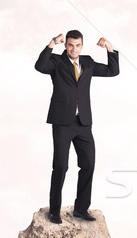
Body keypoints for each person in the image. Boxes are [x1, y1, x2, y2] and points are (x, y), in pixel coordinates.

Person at [35, 30, 119, 224]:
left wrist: (109, 48)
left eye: (78, 45)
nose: (74, 49)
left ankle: (81, 209)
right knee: (61, 167)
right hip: (62, 123)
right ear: (66, 46)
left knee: (88, 163)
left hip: (83, 123)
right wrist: (52, 43)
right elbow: (40, 66)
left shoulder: (88, 62)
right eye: (70, 45)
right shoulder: (56, 62)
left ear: (82, 45)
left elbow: (112, 71)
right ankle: (54, 211)